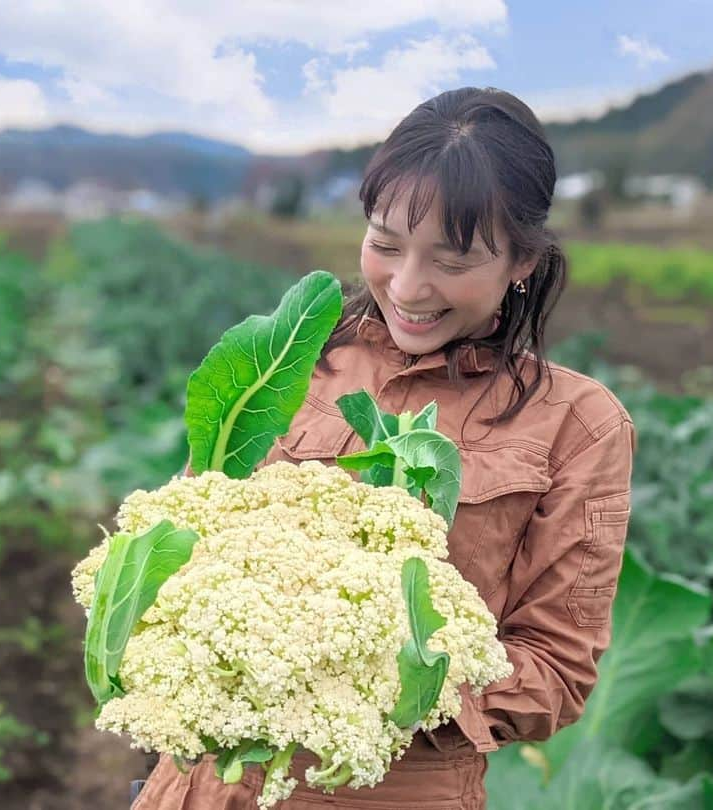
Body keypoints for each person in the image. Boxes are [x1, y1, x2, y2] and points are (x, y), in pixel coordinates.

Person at [131, 85, 636, 810]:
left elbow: (558, 669)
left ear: (521, 261)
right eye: (386, 244)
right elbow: (182, 532)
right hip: (204, 788)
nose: (408, 285)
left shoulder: (578, 425)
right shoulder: (292, 363)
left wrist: (379, 683)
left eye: (452, 261)